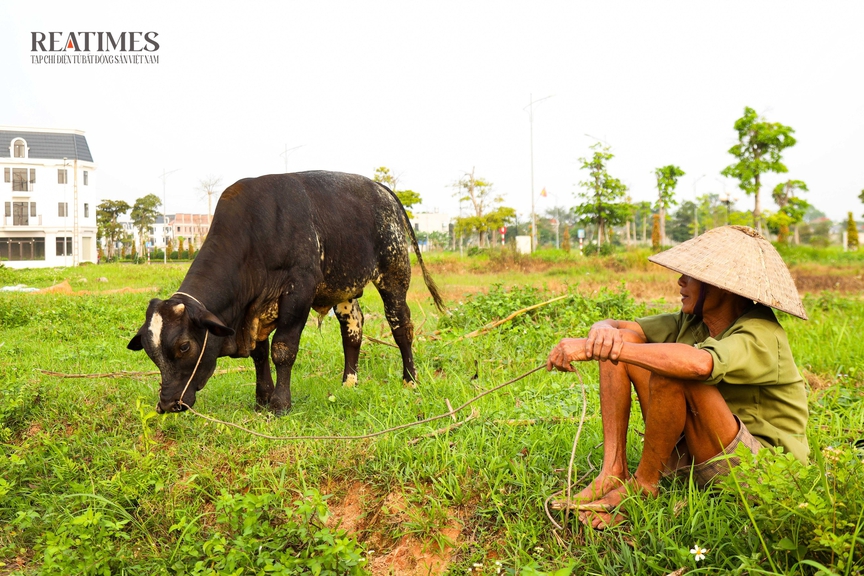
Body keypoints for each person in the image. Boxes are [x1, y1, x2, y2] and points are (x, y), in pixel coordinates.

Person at [546, 226, 809, 529]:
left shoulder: (762, 333)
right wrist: (601, 331)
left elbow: (698, 365)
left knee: (676, 371)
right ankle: (612, 471)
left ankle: (644, 486)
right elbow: (621, 328)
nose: (680, 281)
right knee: (625, 343)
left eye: (692, 276)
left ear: (721, 286)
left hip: (764, 471)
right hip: (705, 449)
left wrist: (603, 348)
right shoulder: (695, 321)